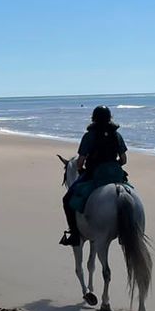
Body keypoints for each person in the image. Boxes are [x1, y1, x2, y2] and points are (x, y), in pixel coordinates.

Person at [59, 105, 128, 246]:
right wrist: (113, 165)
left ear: (94, 119)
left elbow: (80, 162)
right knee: (128, 191)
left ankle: (74, 234)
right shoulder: (116, 135)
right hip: (115, 172)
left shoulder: (89, 136)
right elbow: (124, 160)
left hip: (95, 173)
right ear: (110, 118)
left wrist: (82, 169)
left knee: (67, 200)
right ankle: (126, 231)